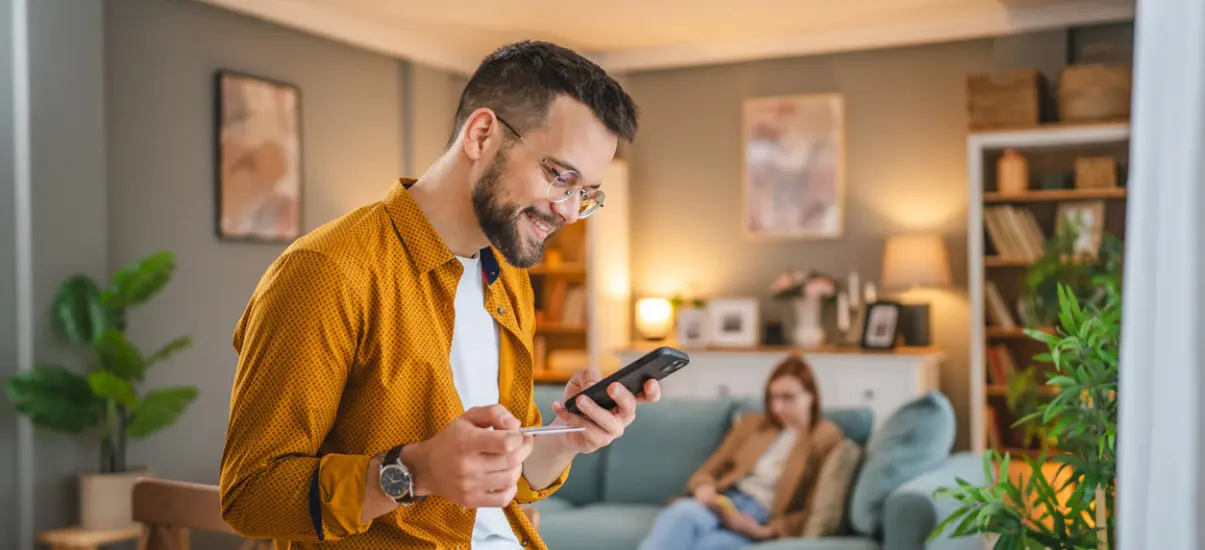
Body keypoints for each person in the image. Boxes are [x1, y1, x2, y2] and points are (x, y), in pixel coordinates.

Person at [218, 40, 656, 550]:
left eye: (586, 195)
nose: (568, 211)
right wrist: (413, 471)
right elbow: (250, 496)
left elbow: (504, 480)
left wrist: (569, 440)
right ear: (482, 134)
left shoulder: (508, 275)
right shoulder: (328, 272)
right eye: (561, 177)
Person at [636, 355, 843, 550]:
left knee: (710, 545)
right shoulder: (751, 425)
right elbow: (706, 472)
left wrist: (765, 531)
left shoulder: (825, 439)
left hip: (759, 516)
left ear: (811, 396)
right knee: (682, 514)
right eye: (773, 397)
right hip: (723, 502)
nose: (778, 406)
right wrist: (704, 488)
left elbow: (814, 509)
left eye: (788, 397)